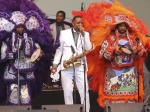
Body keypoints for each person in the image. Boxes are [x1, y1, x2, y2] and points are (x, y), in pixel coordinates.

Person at [0, 0, 57, 105]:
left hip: (27, 68)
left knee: (25, 93)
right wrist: (10, 55)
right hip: (12, 70)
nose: (21, 29)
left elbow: (37, 50)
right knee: (13, 92)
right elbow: (2, 54)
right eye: (19, 27)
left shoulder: (30, 39)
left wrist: (39, 54)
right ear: (14, 27)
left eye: (22, 27)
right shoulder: (7, 40)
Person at [51, 16, 92, 112]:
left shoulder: (85, 34)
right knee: (68, 91)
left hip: (80, 65)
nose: (80, 25)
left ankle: (86, 110)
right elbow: (59, 50)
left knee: (84, 90)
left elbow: (88, 47)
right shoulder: (64, 33)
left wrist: (83, 35)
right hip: (67, 65)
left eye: (81, 23)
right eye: (78, 23)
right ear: (72, 23)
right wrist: (55, 64)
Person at [47, 10, 70, 88]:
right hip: (54, 49)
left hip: (65, 50)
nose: (58, 17)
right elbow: (48, 39)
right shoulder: (51, 26)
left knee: (63, 66)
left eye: (60, 16)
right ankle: (52, 83)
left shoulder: (68, 27)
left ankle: (63, 83)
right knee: (54, 65)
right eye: (57, 16)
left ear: (64, 18)